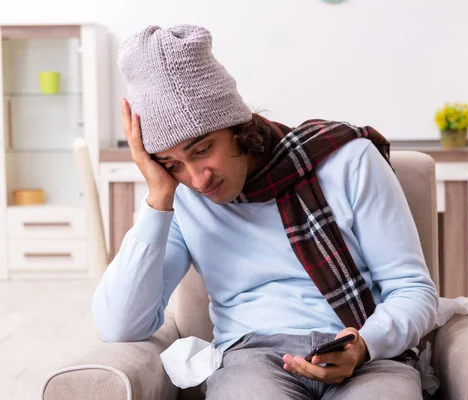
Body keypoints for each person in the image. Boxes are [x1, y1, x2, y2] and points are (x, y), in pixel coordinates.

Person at [92, 24, 438, 400]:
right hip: (251, 359)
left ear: (238, 127)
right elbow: (119, 326)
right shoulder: (182, 198)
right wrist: (159, 197)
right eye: (172, 163)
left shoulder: (348, 161)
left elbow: (411, 288)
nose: (197, 178)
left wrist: (364, 344)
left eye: (202, 149)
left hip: (365, 352)